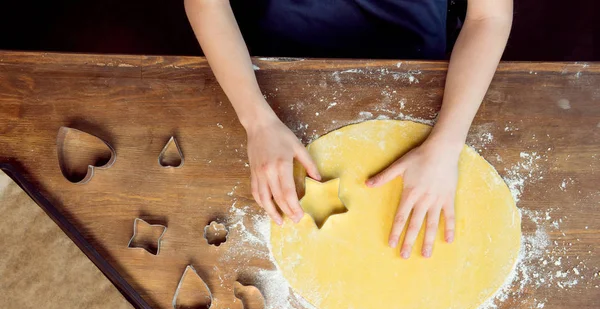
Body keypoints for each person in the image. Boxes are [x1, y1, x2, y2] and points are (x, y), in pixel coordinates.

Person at [185, 0, 513, 258]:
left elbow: (489, 17)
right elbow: (208, 4)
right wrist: (257, 121)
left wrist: (447, 142)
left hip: (416, 71)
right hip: (270, 68)